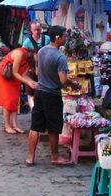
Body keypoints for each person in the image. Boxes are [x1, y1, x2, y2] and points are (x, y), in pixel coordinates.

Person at [26, 25, 79, 166]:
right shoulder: (59, 57)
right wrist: (73, 84)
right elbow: (63, 80)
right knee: (54, 127)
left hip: (40, 92)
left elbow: (37, 72)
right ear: (57, 37)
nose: (65, 39)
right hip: (52, 95)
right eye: (64, 36)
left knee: (35, 126)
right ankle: (55, 157)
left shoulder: (42, 51)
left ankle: (30, 157)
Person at [0, 48, 38, 134]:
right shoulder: (20, 54)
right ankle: (7, 125)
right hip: (5, 74)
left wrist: (33, 82)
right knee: (8, 100)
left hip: (14, 76)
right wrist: (28, 82)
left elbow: (23, 74)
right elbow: (15, 72)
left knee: (15, 99)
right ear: (34, 53)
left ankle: (14, 125)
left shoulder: (29, 59)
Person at [21, 20, 50, 110]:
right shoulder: (27, 42)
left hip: (45, 70)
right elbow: (23, 56)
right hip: (31, 70)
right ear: (31, 30)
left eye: (38, 29)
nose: (37, 32)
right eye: (34, 30)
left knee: (45, 91)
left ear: (41, 28)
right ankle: (34, 111)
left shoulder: (47, 39)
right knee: (30, 92)